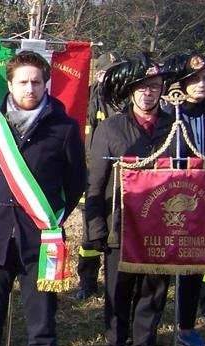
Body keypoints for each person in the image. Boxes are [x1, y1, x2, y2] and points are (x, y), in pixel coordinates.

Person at [0, 51, 86, 346]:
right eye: (23, 81)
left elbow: (75, 182)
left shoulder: (64, 128)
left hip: (43, 242)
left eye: (36, 81)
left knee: (42, 325)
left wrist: (47, 218)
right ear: (10, 84)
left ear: (46, 83)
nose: (30, 88)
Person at [84, 54, 172, 346]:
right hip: (120, 226)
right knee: (118, 292)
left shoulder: (173, 126)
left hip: (160, 227)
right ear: (131, 91)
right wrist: (95, 227)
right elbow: (96, 181)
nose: (148, 93)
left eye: (154, 86)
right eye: (142, 87)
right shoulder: (110, 128)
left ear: (161, 89)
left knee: (153, 292)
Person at [158, 52, 205, 346]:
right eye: (193, 79)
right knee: (158, 264)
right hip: (168, 196)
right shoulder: (168, 113)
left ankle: (187, 326)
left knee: (193, 263)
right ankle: (147, 328)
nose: (201, 84)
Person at [76, 51, 124, 300]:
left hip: (120, 181)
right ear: (97, 73)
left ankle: (116, 281)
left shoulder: (124, 99)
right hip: (90, 176)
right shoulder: (85, 98)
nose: (109, 78)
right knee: (89, 235)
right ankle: (87, 281)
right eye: (106, 72)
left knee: (118, 233)